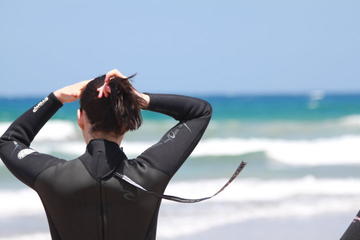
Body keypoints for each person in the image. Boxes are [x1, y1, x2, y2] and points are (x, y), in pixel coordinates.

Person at [0, 69, 212, 240]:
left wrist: (56, 98)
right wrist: (138, 98)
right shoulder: (149, 174)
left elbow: (9, 142)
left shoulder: (53, 176)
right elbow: (199, 112)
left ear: (80, 118)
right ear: (127, 121)